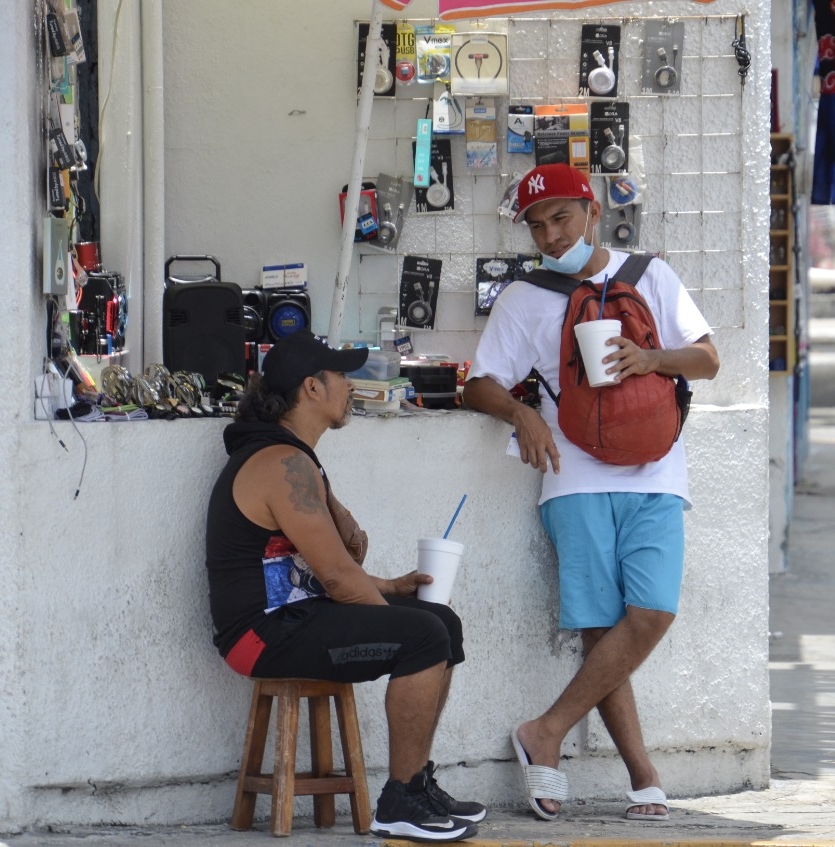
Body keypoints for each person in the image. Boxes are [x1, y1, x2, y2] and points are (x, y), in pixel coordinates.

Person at [462, 163, 720, 823]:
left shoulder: (650, 276)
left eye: (561, 218)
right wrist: (520, 412)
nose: (550, 235)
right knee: (603, 627)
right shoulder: (524, 297)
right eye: (537, 226)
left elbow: (707, 358)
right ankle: (642, 773)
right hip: (573, 474)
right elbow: (480, 382)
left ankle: (544, 729)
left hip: (656, 469)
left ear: (593, 209)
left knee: (652, 612)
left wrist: (651, 358)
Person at [205, 332, 484, 842]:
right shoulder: (281, 463)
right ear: (311, 387)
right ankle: (399, 802)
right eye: (342, 377)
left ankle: (417, 784)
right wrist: (392, 616)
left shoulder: (295, 459)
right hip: (261, 635)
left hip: (294, 615)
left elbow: (323, 565)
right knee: (424, 633)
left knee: (441, 620)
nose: (352, 386)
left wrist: (387, 588)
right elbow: (335, 577)